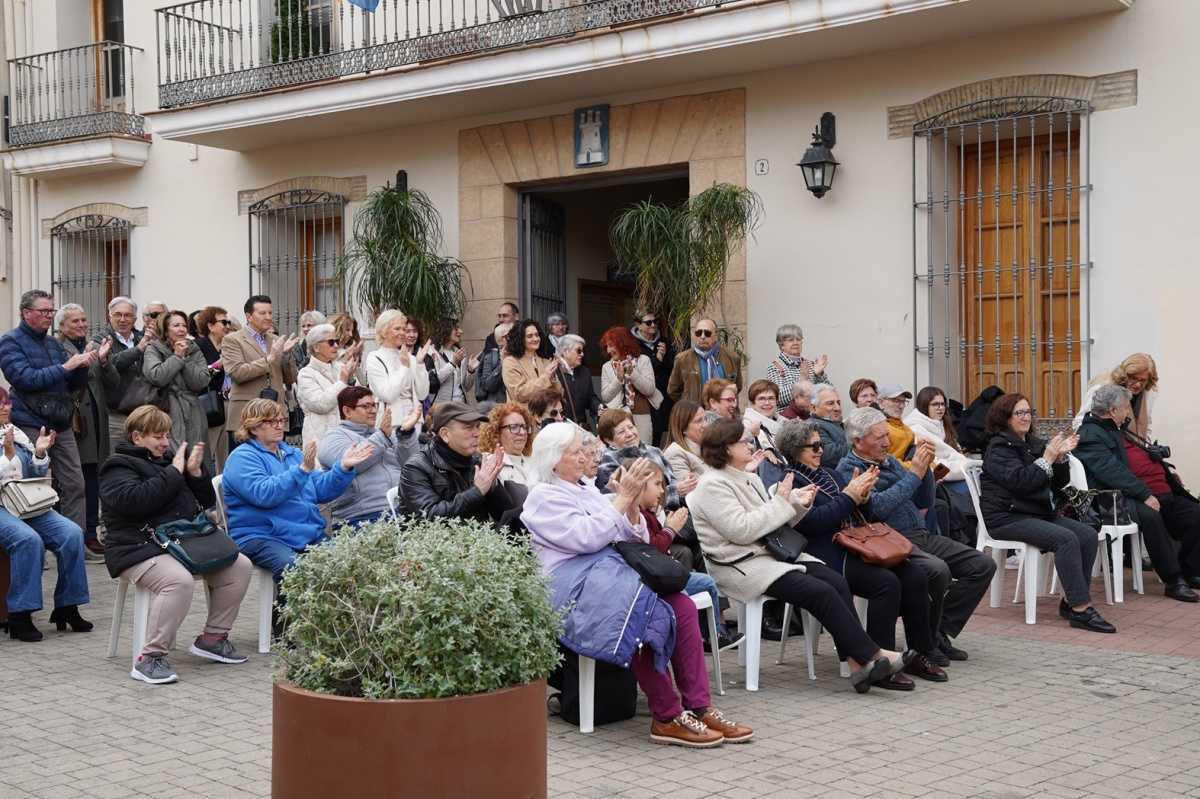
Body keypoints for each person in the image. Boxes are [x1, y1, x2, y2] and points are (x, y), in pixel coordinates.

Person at [521, 423, 753, 746]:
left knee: (683, 605)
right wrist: (622, 500)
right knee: (642, 614)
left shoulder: (586, 487)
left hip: (609, 575)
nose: (585, 456)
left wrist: (629, 507)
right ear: (554, 459)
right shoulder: (541, 497)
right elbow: (586, 538)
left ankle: (700, 706)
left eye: (584, 449)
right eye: (577, 452)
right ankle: (667, 715)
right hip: (573, 584)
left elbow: (636, 538)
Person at [686, 419, 913, 692]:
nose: (749, 444)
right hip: (740, 564)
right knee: (821, 592)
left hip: (768, 554)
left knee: (836, 582)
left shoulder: (748, 477)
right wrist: (784, 503)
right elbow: (742, 530)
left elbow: (772, 522)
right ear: (725, 448)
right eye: (742, 441)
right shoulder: (711, 485)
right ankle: (873, 656)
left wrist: (796, 503)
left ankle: (858, 667)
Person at [770, 418, 941, 689]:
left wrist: (863, 496)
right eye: (813, 446)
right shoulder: (790, 480)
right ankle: (882, 662)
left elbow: (864, 513)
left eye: (821, 444)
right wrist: (849, 496)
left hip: (858, 543)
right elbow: (813, 523)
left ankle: (921, 652)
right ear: (795, 449)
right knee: (886, 583)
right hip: (828, 553)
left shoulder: (830, 474)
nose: (820, 451)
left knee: (915, 574)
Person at [100, 406, 253, 683]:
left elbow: (206, 500)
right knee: (178, 582)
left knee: (239, 565)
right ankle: (150, 658)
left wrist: (195, 473)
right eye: (158, 436)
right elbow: (134, 502)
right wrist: (174, 472)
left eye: (166, 435)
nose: (164, 442)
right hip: (136, 546)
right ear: (137, 437)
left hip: (181, 541)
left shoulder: (170, 460)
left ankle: (213, 639)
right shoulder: (117, 466)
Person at [837, 406, 996, 663]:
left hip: (919, 534)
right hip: (889, 541)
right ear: (858, 441)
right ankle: (924, 644)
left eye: (887, 435)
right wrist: (914, 474)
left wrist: (927, 475)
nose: (887, 442)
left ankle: (939, 632)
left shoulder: (888, 462)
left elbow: (923, 501)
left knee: (982, 565)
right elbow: (878, 508)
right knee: (938, 570)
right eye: (879, 438)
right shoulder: (849, 468)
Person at [979, 393, 1118, 631]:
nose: (1026, 417)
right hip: (1006, 517)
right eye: (1019, 413)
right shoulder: (999, 448)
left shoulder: (1031, 443)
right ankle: (1081, 609)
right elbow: (1022, 483)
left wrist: (1061, 459)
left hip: (1034, 513)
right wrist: (1047, 458)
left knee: (1085, 534)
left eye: (1028, 412)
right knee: (1065, 539)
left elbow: (1057, 484)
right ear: (1005, 418)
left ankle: (1069, 602)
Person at [222, 399, 372, 583]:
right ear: (253, 427)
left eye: (281, 420)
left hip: (302, 531)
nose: (280, 426)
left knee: (346, 563)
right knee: (293, 570)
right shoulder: (242, 458)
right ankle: (285, 613)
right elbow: (264, 494)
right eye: (272, 422)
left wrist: (343, 467)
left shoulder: (292, 453)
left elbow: (319, 490)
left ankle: (329, 611)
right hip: (262, 535)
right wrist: (301, 471)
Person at [1075, 383, 1200, 601]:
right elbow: (1111, 471)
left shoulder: (1114, 429)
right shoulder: (1089, 434)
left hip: (1131, 494)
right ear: (1113, 410)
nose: (1127, 412)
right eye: (1125, 408)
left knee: (1194, 513)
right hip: (1108, 500)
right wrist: (1145, 493)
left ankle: (1190, 570)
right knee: (1151, 515)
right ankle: (1173, 580)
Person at [0, 289, 94, 533]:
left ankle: (74, 540)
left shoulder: (53, 343)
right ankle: (29, 543)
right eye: (44, 311)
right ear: (26, 313)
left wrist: (83, 365)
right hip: (29, 423)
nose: (49, 316)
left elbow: (70, 385)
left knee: (75, 485)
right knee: (29, 486)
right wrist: (66, 366)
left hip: (60, 424)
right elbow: (24, 379)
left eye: (51, 311)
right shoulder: (10, 341)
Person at [0, 393, 90, 643]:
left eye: (7, 402)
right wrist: (6, 457)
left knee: (71, 533)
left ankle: (67, 607)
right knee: (27, 540)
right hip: (2, 506)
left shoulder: (15, 433)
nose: (5, 407)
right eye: (0, 404)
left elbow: (33, 472)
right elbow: (7, 471)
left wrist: (39, 453)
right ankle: (20, 614)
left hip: (25, 502)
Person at [55, 304, 116, 559]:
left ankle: (90, 532)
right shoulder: (58, 349)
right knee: (77, 481)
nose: (81, 325)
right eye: (75, 321)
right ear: (62, 326)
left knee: (93, 477)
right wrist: (82, 362)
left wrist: (102, 360)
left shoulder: (90, 346)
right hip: (74, 422)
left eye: (83, 320)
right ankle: (80, 536)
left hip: (96, 420)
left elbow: (112, 383)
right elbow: (62, 383)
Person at [318, 387, 421, 526]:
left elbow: (412, 465)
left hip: (401, 509)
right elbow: (353, 463)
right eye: (366, 406)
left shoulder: (384, 434)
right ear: (347, 411)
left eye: (374, 405)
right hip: (361, 516)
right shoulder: (332, 437)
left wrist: (406, 434)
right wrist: (382, 437)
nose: (373, 411)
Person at [398, 401, 511, 523]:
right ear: (445, 434)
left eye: (478, 426)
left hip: (478, 538)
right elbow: (429, 517)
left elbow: (506, 516)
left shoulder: (476, 460)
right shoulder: (416, 468)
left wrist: (492, 484)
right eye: (468, 428)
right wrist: (477, 491)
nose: (477, 433)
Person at [221, 295, 299, 453]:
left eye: (270, 313)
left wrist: (286, 356)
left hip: (274, 416)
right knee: (246, 467)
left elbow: (291, 378)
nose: (268, 317)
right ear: (249, 316)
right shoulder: (233, 340)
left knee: (275, 465)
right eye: (262, 313)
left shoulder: (276, 340)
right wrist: (270, 359)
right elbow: (237, 373)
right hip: (246, 418)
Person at [143, 310, 215, 475]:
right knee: (170, 453)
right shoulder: (153, 349)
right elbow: (157, 376)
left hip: (193, 409)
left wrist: (185, 358)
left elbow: (201, 381)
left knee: (198, 454)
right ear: (165, 329)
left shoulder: (194, 348)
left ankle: (200, 494)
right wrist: (176, 357)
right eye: (176, 325)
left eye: (184, 325)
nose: (182, 329)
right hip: (167, 409)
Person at [594, 409, 691, 508]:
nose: (629, 434)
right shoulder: (608, 465)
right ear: (609, 440)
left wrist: (685, 485)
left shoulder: (654, 451)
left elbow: (672, 480)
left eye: (631, 427)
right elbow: (636, 502)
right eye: (621, 432)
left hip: (678, 508)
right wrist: (674, 492)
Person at [93, 296, 150, 447]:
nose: (123, 319)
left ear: (135, 318)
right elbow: (111, 363)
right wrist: (138, 350)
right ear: (109, 316)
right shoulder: (100, 339)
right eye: (118, 314)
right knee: (117, 460)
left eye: (128, 315)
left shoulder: (142, 338)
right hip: (116, 416)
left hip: (144, 413)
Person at [365, 309, 432, 435]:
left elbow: (423, 394)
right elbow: (387, 395)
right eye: (397, 329)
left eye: (404, 329)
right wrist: (404, 368)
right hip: (391, 424)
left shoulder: (410, 358)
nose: (402, 333)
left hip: (415, 421)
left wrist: (419, 364)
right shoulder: (375, 358)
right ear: (384, 332)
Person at [296, 323, 359, 447]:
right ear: (316, 347)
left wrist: (351, 380)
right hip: (320, 440)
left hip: (346, 437)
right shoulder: (306, 374)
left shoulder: (341, 368)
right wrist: (342, 382)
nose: (336, 346)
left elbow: (358, 400)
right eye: (331, 342)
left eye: (337, 341)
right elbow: (320, 405)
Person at [599, 326, 662, 444]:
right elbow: (606, 396)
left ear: (623, 343)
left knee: (643, 451)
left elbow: (649, 389)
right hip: (617, 417)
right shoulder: (607, 367)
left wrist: (632, 372)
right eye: (607, 346)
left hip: (641, 414)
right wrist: (618, 379)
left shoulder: (643, 360)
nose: (608, 350)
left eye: (611, 345)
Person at [905, 386, 977, 488]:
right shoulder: (915, 430)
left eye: (943, 404)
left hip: (956, 474)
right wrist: (966, 468)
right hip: (936, 482)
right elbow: (934, 466)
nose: (940, 408)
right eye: (935, 404)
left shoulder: (944, 425)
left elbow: (957, 453)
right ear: (924, 406)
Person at [1074, 353, 1158, 438]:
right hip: (1106, 446)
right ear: (1125, 375)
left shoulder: (1147, 393)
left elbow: (1148, 426)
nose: (1138, 385)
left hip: (1137, 448)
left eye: (1143, 380)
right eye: (1134, 378)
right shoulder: (1102, 389)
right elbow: (1079, 423)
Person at [667, 318, 741, 405]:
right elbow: (673, 391)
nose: (702, 336)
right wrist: (689, 406)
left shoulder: (732, 357)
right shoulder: (682, 359)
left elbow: (738, 386)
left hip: (724, 413)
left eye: (707, 333)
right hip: (695, 414)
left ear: (716, 335)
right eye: (698, 333)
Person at [630, 309, 676, 446]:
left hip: (664, 396)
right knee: (647, 436)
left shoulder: (664, 341)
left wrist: (665, 356)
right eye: (648, 322)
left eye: (655, 321)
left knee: (663, 433)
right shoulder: (633, 345)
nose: (653, 325)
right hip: (644, 399)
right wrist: (657, 359)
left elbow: (672, 367)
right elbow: (638, 375)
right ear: (638, 325)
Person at [193, 306, 231, 469]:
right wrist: (218, 364)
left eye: (228, 322)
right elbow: (196, 376)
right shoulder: (198, 346)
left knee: (226, 453)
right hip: (209, 404)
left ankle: (223, 488)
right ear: (210, 326)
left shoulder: (229, 345)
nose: (227, 326)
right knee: (208, 451)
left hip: (229, 404)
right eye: (223, 322)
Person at [763, 324, 829, 413]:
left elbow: (828, 393)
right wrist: (801, 381)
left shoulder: (811, 364)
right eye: (791, 340)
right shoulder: (775, 367)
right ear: (781, 345)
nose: (796, 342)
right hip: (789, 419)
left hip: (813, 415)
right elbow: (778, 397)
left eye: (798, 339)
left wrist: (819, 375)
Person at [479, 401, 537, 486]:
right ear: (497, 432)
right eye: (514, 427)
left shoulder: (534, 461)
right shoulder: (490, 464)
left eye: (524, 427)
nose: (522, 432)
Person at [502, 319, 557, 403]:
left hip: (548, 414)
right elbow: (519, 394)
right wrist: (546, 377)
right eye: (529, 336)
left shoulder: (545, 361)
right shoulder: (510, 362)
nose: (535, 339)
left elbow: (559, 393)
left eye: (537, 335)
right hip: (523, 414)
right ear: (520, 339)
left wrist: (553, 378)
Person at [554, 334, 599, 429]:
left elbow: (590, 398)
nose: (582, 354)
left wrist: (599, 407)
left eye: (582, 351)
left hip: (581, 428)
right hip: (561, 428)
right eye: (579, 351)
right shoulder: (553, 372)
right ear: (565, 352)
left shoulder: (584, 371)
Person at [429, 320, 476, 405]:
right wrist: (452, 363)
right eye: (456, 328)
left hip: (460, 405)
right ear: (446, 330)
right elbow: (434, 382)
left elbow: (466, 387)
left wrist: (470, 371)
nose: (461, 331)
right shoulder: (432, 352)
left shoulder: (460, 353)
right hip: (441, 407)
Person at [663, 400, 709, 483]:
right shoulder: (675, 453)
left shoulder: (709, 447)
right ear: (683, 428)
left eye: (705, 419)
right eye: (699, 421)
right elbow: (688, 491)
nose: (706, 425)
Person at [810, 383, 849, 468]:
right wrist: (862, 444)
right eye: (830, 403)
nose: (837, 408)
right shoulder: (812, 426)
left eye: (838, 403)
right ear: (813, 408)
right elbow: (829, 456)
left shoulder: (838, 423)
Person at [475, 322, 512, 407]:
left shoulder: (520, 354)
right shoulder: (491, 356)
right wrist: (503, 364)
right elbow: (487, 385)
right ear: (505, 338)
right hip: (499, 407)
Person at [743, 379, 782, 453]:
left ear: (777, 401)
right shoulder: (746, 426)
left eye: (771, 398)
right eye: (761, 399)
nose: (767, 403)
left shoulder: (784, 422)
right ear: (752, 403)